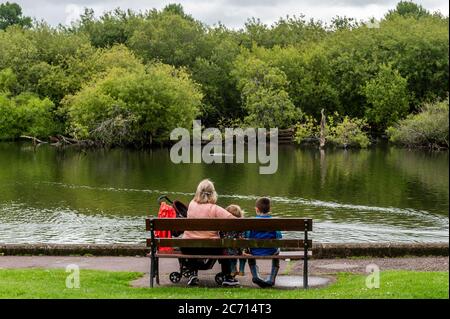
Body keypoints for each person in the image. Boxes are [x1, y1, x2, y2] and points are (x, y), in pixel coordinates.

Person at [181, 179, 239, 287]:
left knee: (192, 242)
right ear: (213, 193)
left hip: (188, 246)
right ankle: (227, 277)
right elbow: (236, 222)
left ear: (198, 192)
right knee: (225, 246)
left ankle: (193, 274)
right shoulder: (215, 209)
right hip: (211, 248)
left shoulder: (192, 204)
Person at [246, 197, 281, 288]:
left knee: (248, 251)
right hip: (271, 251)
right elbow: (279, 237)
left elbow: (248, 236)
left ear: (256, 209)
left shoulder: (251, 222)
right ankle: (271, 279)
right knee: (277, 250)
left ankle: (255, 276)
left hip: (254, 251)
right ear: (270, 209)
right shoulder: (274, 222)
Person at [219, 205, 247, 277]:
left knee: (231, 254)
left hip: (228, 249)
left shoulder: (223, 226)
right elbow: (243, 236)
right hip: (240, 249)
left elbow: (221, 235)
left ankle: (233, 269)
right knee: (244, 252)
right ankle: (241, 270)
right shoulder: (242, 225)